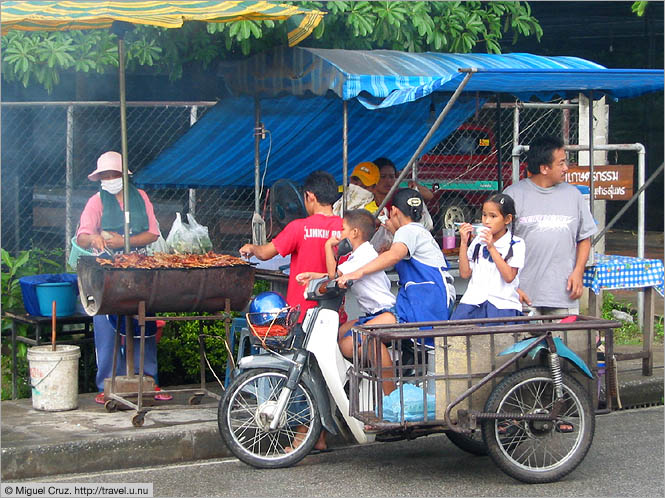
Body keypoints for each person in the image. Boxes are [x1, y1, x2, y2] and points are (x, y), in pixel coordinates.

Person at [76, 151, 171, 403]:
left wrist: (125, 241)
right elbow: (82, 236)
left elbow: (152, 233)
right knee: (107, 324)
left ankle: (148, 380)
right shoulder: (95, 201)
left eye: (113, 174)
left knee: (144, 321)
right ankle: (107, 384)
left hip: (139, 267)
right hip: (106, 270)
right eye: (104, 175)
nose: (109, 179)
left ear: (123, 175)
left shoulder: (140, 198)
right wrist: (95, 238)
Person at [296, 209, 397, 394]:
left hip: (387, 315)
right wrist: (313, 276)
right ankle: (365, 371)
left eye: (343, 229)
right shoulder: (357, 256)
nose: (341, 234)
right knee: (340, 331)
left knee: (347, 345)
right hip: (374, 315)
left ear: (355, 233)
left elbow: (334, 276)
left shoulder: (365, 254)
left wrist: (328, 246)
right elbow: (337, 274)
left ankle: (390, 392)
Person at [503, 135, 596, 315]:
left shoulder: (573, 195)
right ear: (544, 168)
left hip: (562, 294)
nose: (566, 168)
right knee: (525, 343)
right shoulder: (513, 195)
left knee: (563, 342)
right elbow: (499, 243)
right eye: (561, 163)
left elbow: (584, 238)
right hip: (522, 295)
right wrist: (510, 286)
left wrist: (578, 272)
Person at [337, 189, 454, 327]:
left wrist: (358, 272)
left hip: (428, 294)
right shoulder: (418, 230)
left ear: (394, 211)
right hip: (433, 292)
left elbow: (394, 255)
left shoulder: (407, 230)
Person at [239, 170, 343, 322]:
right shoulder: (345, 228)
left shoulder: (298, 227)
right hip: (334, 313)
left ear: (310, 196)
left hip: (301, 313)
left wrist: (252, 248)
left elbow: (265, 253)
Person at [451, 193, 525, 321]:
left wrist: (491, 247)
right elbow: (464, 273)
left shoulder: (516, 244)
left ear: (507, 219)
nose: (486, 221)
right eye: (484, 215)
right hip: (473, 302)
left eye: (493, 216)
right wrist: (464, 243)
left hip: (502, 305)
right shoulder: (478, 241)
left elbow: (509, 277)